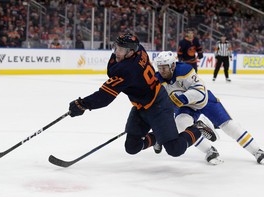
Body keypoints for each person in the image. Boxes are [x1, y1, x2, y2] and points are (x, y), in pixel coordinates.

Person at [68, 33, 216, 159]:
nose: (116, 52)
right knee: (132, 147)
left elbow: (104, 97)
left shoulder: (128, 70)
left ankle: (197, 127)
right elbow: (113, 70)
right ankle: (158, 135)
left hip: (159, 105)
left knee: (174, 149)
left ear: (131, 52)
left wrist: (82, 104)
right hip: (141, 106)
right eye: (116, 47)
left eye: (121, 49)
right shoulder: (139, 50)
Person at [154, 51, 264, 164]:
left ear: (172, 65)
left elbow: (200, 92)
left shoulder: (184, 70)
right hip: (186, 107)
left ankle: (257, 151)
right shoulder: (157, 79)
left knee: (229, 126)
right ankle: (209, 151)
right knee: (181, 123)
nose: (162, 71)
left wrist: (179, 100)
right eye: (160, 67)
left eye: (165, 67)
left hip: (204, 101)